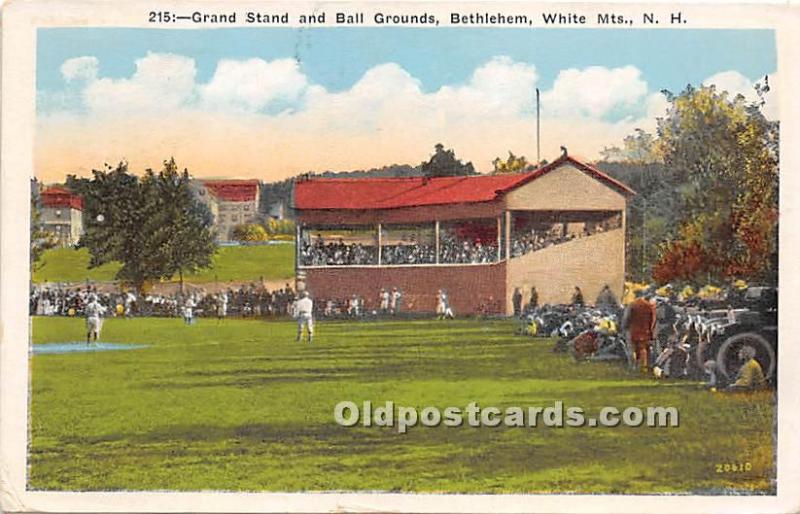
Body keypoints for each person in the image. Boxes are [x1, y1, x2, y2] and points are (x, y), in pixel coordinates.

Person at [621, 291, 657, 373]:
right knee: (643, 349)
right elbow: (653, 319)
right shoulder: (649, 305)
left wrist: (624, 327)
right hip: (645, 330)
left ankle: (633, 366)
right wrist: (651, 330)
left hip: (633, 330)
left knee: (632, 349)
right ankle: (643, 366)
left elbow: (626, 318)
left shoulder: (632, 305)